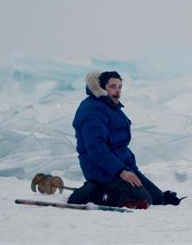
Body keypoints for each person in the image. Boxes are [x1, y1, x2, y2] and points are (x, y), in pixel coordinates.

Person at [68, 71, 184, 209]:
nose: (117, 91)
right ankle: (91, 193)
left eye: (119, 87)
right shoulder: (91, 110)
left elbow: (119, 145)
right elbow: (96, 149)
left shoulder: (112, 107)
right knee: (141, 199)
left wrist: (129, 170)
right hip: (100, 169)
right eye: (112, 86)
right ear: (101, 87)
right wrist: (121, 171)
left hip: (120, 166)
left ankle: (116, 190)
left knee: (157, 198)